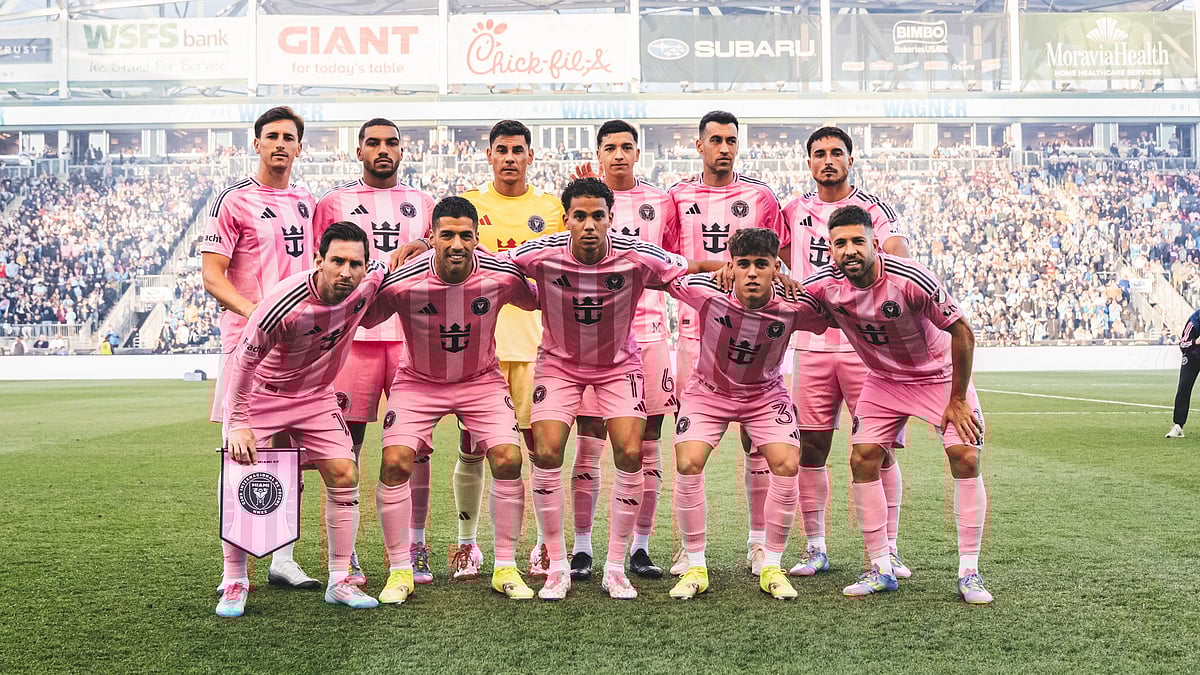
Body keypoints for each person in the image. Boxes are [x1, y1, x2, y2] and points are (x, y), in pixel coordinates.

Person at [506, 177, 723, 600]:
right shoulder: (541, 252)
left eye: (597, 216)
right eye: (580, 216)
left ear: (611, 218)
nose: (589, 225)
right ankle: (556, 566)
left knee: (629, 452)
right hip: (560, 365)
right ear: (567, 218)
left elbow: (688, 268)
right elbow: (491, 261)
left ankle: (615, 567)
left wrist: (731, 268)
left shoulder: (637, 255)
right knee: (547, 452)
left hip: (618, 366)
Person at [802, 205, 992, 604]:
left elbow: (962, 331)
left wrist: (957, 398)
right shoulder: (823, 285)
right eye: (840, 243)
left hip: (937, 376)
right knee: (863, 458)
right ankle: (880, 567)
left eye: (858, 241)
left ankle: (969, 572)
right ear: (830, 249)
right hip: (884, 380)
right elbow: (790, 303)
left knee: (965, 457)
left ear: (875, 243)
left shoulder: (909, 277)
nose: (849, 250)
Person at [360, 196, 539, 603]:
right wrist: (374, 273)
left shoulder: (499, 275)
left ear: (477, 239)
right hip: (418, 381)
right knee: (395, 462)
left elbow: (536, 298)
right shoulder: (404, 281)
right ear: (431, 238)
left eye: (465, 236)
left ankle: (505, 567)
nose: (456, 244)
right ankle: (399, 570)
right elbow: (368, 317)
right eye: (447, 235)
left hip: (480, 380)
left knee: (509, 459)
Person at [216, 222, 384, 618]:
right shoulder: (283, 304)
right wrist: (238, 421)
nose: (346, 272)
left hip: (315, 396)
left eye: (354, 264)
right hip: (263, 395)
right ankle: (235, 580)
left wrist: (414, 245)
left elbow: (389, 265)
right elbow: (243, 362)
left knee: (345, 472)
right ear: (318, 260)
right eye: (337, 261)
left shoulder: (367, 281)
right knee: (240, 473)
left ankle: (340, 581)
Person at [666, 227, 830, 601]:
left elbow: (829, 316)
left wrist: (797, 282)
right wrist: (711, 270)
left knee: (787, 463)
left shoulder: (794, 305)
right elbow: (664, 275)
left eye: (762, 264)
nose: (752, 272)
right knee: (688, 461)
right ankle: (695, 565)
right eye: (744, 265)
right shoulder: (706, 292)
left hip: (764, 394)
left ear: (776, 267)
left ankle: (771, 564)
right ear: (732, 266)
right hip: (709, 392)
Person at [781, 126, 913, 578]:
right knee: (811, 447)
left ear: (850, 159)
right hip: (812, 346)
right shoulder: (793, 210)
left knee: (878, 450)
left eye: (837, 152)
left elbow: (897, 256)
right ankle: (815, 547)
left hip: (866, 347)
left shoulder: (874, 209)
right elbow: (780, 261)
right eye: (819, 153)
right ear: (809, 162)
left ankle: (889, 549)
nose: (828, 160)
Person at [201, 106, 320, 590]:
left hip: (299, 345)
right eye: (271, 135)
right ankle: (236, 571)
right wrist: (261, 318)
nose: (280, 144)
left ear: (298, 146)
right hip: (248, 342)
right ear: (256, 143)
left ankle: (283, 558)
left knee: (294, 451)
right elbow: (212, 276)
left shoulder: (308, 201)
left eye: (288, 137)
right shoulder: (231, 200)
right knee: (243, 448)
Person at [313, 118, 435, 586]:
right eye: (374, 144)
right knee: (347, 447)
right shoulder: (334, 203)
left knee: (415, 448)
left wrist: (424, 242)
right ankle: (349, 554)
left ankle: (414, 545)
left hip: (409, 339)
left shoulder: (423, 204)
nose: (383, 150)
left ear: (402, 151)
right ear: (358, 151)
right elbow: (318, 267)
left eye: (392, 144)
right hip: (352, 342)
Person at [667, 110, 787, 575]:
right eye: (715, 140)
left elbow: (778, 260)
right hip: (694, 334)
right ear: (699, 145)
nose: (724, 147)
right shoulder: (678, 196)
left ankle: (759, 543)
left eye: (731, 140)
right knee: (689, 447)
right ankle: (688, 548)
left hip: (756, 334)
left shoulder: (760, 196)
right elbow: (668, 260)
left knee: (760, 445)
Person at [569, 120, 678, 580]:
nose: (618, 154)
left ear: (638, 153)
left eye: (626, 147)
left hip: (651, 334)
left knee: (646, 444)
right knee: (589, 441)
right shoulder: (582, 199)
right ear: (598, 153)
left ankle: (640, 547)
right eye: (609, 147)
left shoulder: (661, 202)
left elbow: (675, 266)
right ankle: (582, 547)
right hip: (594, 337)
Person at [458, 120, 565, 580]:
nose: (508, 157)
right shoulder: (468, 206)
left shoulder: (552, 208)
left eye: (517, 150)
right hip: (477, 343)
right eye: (501, 149)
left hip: (534, 342)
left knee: (537, 448)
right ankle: (467, 546)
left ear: (530, 156)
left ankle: (543, 546)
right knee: (471, 447)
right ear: (489, 155)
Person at [1166, 307, 1200, 438]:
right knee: (1184, 388)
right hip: (1193, 356)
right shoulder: (1195, 320)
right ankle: (1178, 426)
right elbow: (1183, 344)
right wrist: (1196, 341)